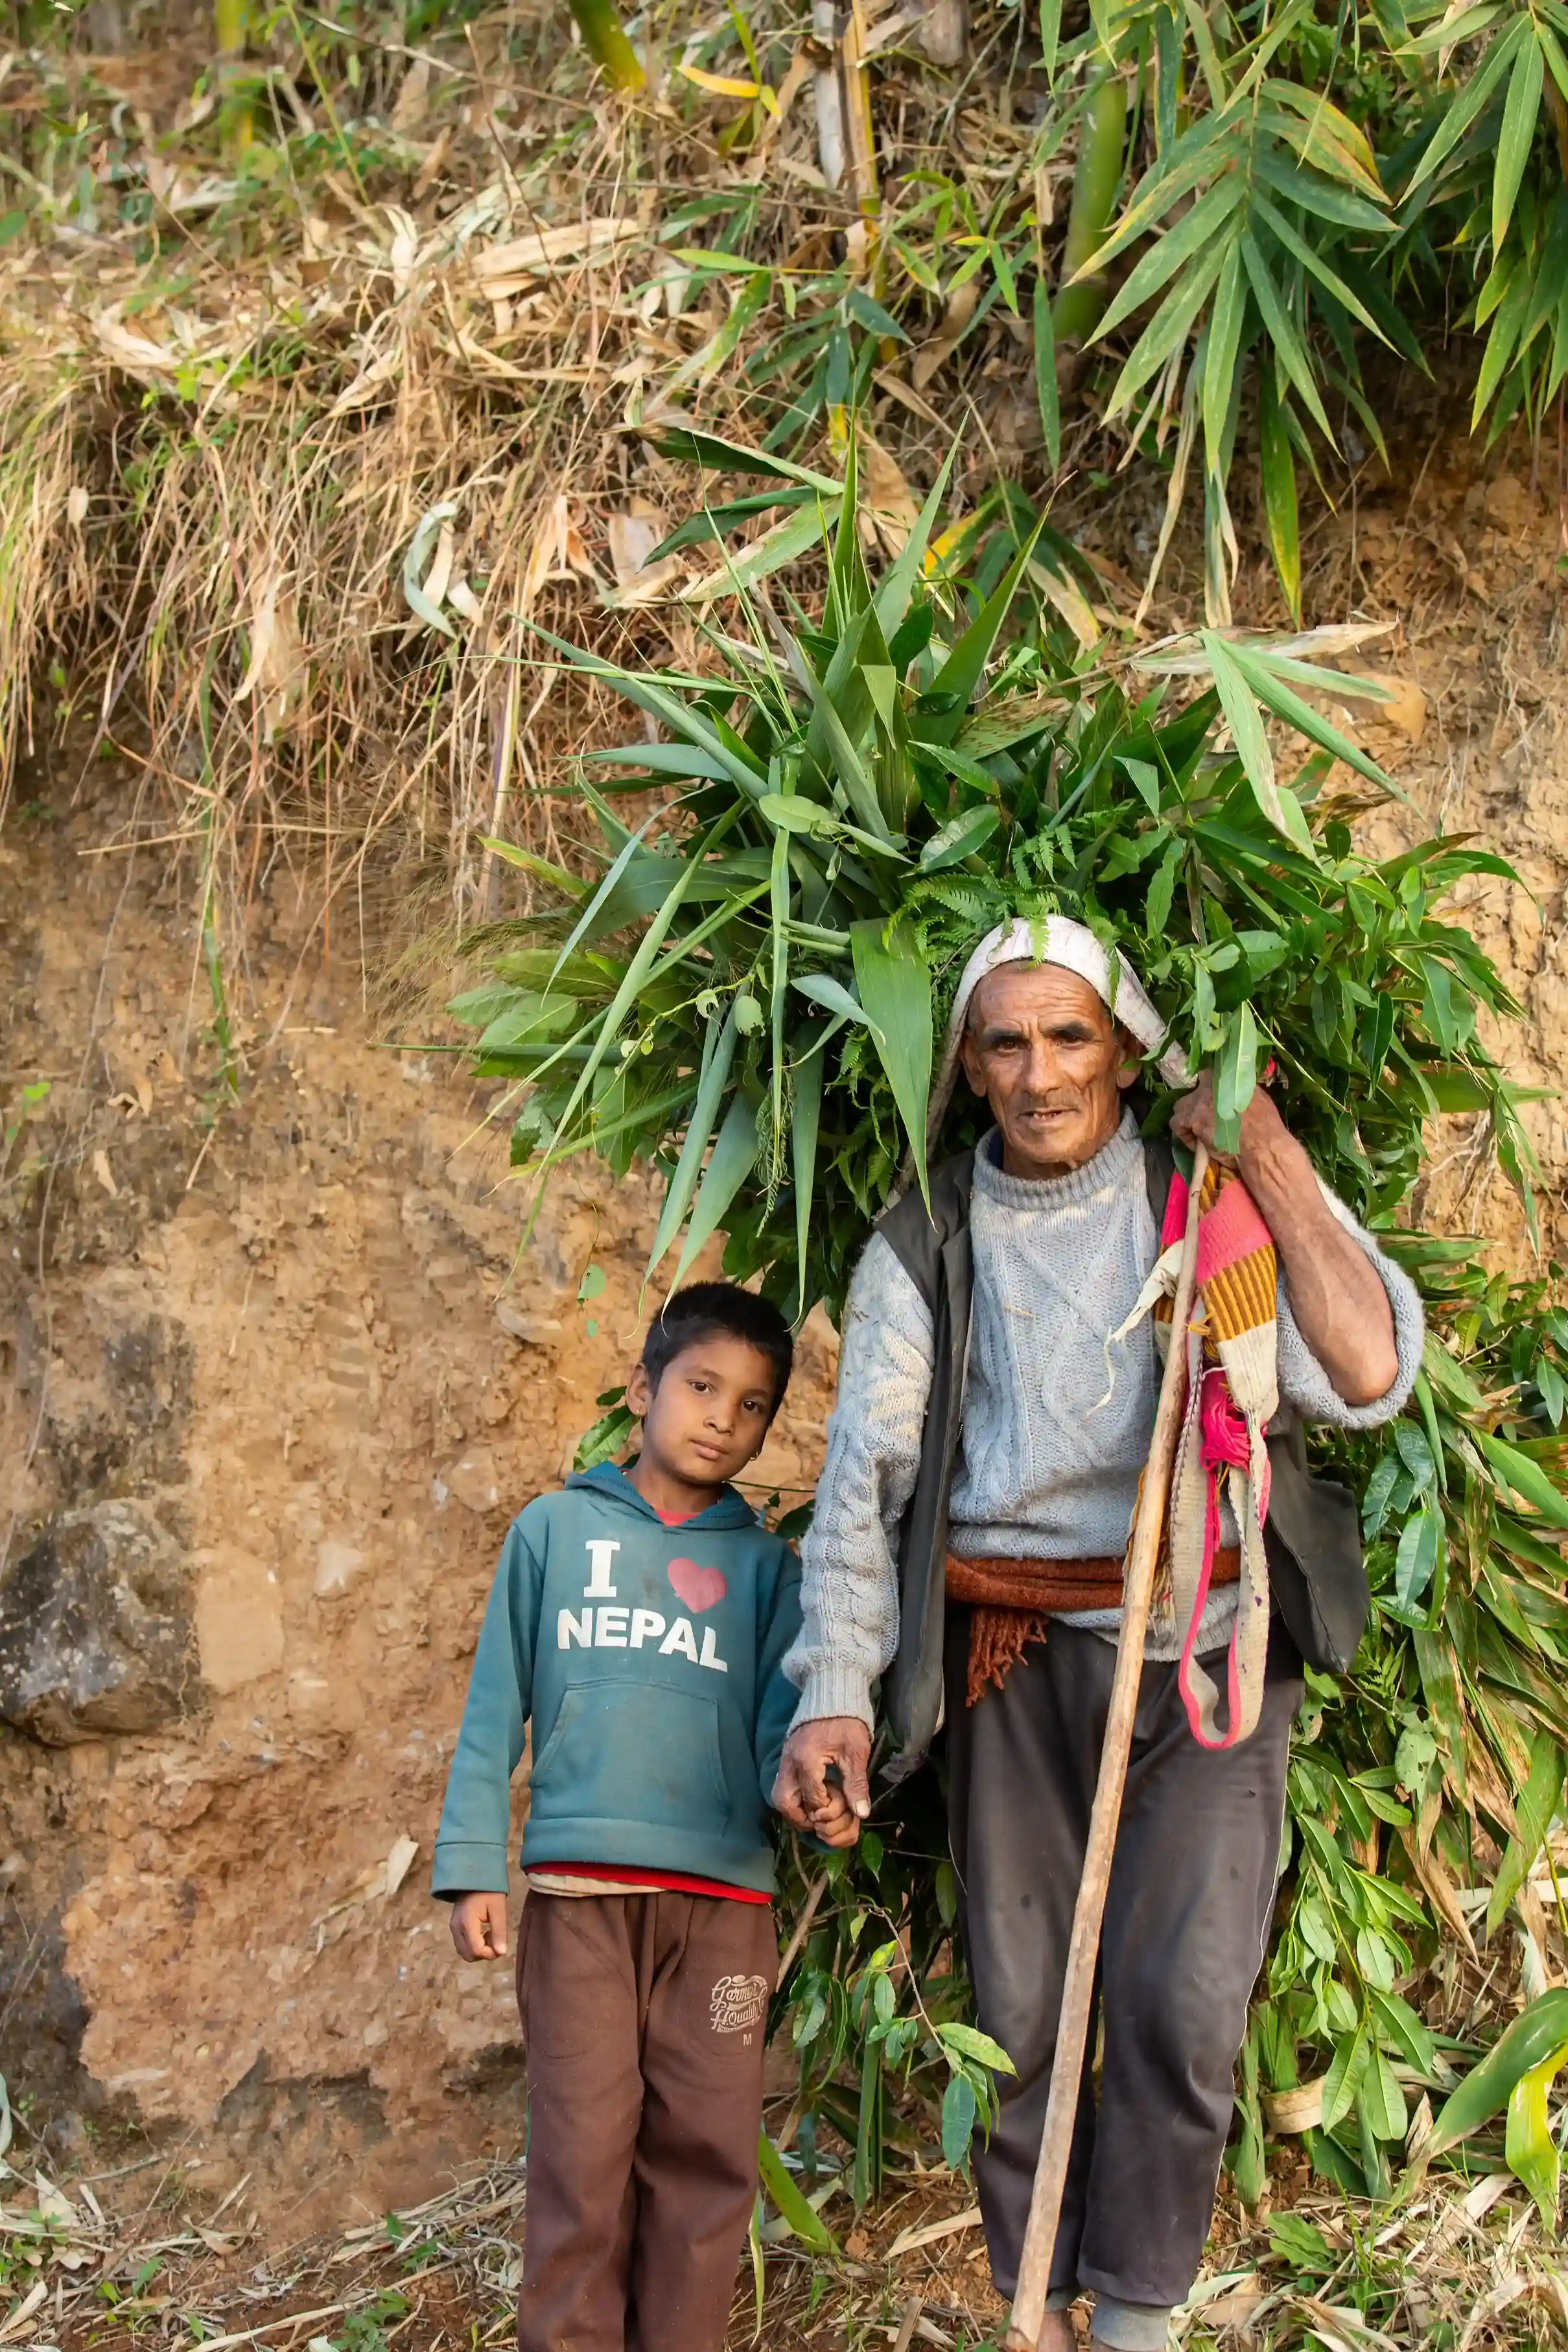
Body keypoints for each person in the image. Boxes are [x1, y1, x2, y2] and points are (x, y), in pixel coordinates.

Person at [772, 917, 1425, 2352]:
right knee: (1017, 2010)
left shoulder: (1210, 1207)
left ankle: (1135, 2319)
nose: (1040, 1071)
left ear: (1128, 1050)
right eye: (1004, 1040)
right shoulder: (927, 1240)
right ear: (966, 1063)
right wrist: (830, 1692)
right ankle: (1040, 2303)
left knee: (1183, 1997)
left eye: (1070, 1036)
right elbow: (858, 1488)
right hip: (1011, 1657)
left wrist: (1263, 1145)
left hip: (1205, 1642)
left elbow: (1371, 1371)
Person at [433, 1280, 803, 2352]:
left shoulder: (767, 1568)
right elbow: (495, 1703)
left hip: (725, 1908)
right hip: (582, 1902)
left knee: (707, 2166)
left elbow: (783, 1729)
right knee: (583, 2161)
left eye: (751, 1407)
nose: (721, 1421)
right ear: (643, 1389)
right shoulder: (551, 1533)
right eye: (700, 1387)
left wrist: (813, 1794)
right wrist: (471, 1865)